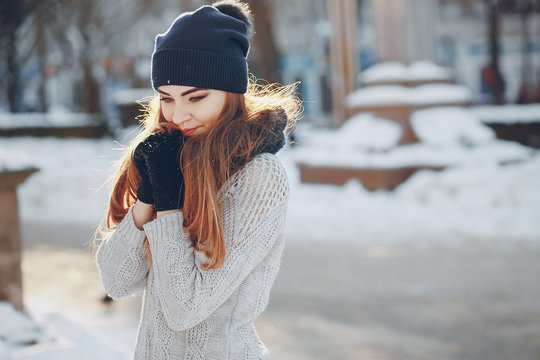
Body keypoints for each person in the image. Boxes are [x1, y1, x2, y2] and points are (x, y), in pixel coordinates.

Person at [94, 1, 301, 359]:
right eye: (167, 99)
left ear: (231, 93)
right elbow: (116, 281)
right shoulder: (172, 159)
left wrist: (170, 207)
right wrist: (148, 194)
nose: (178, 115)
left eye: (197, 97)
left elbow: (184, 310)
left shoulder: (259, 177)